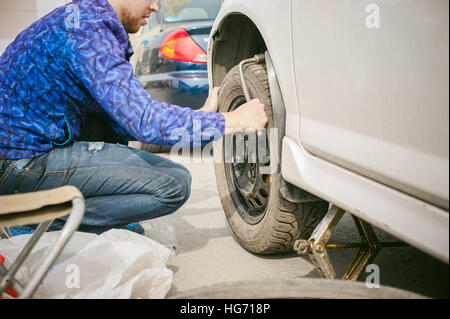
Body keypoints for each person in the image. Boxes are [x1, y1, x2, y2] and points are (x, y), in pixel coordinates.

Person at [0, 0, 267, 236]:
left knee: (110, 128)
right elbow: (145, 122)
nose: (155, 7)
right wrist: (232, 120)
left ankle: (75, 216)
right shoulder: (88, 33)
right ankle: (36, 220)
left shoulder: (84, 19)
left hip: (20, 154)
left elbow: (123, 116)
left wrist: (196, 118)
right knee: (173, 184)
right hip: (17, 164)